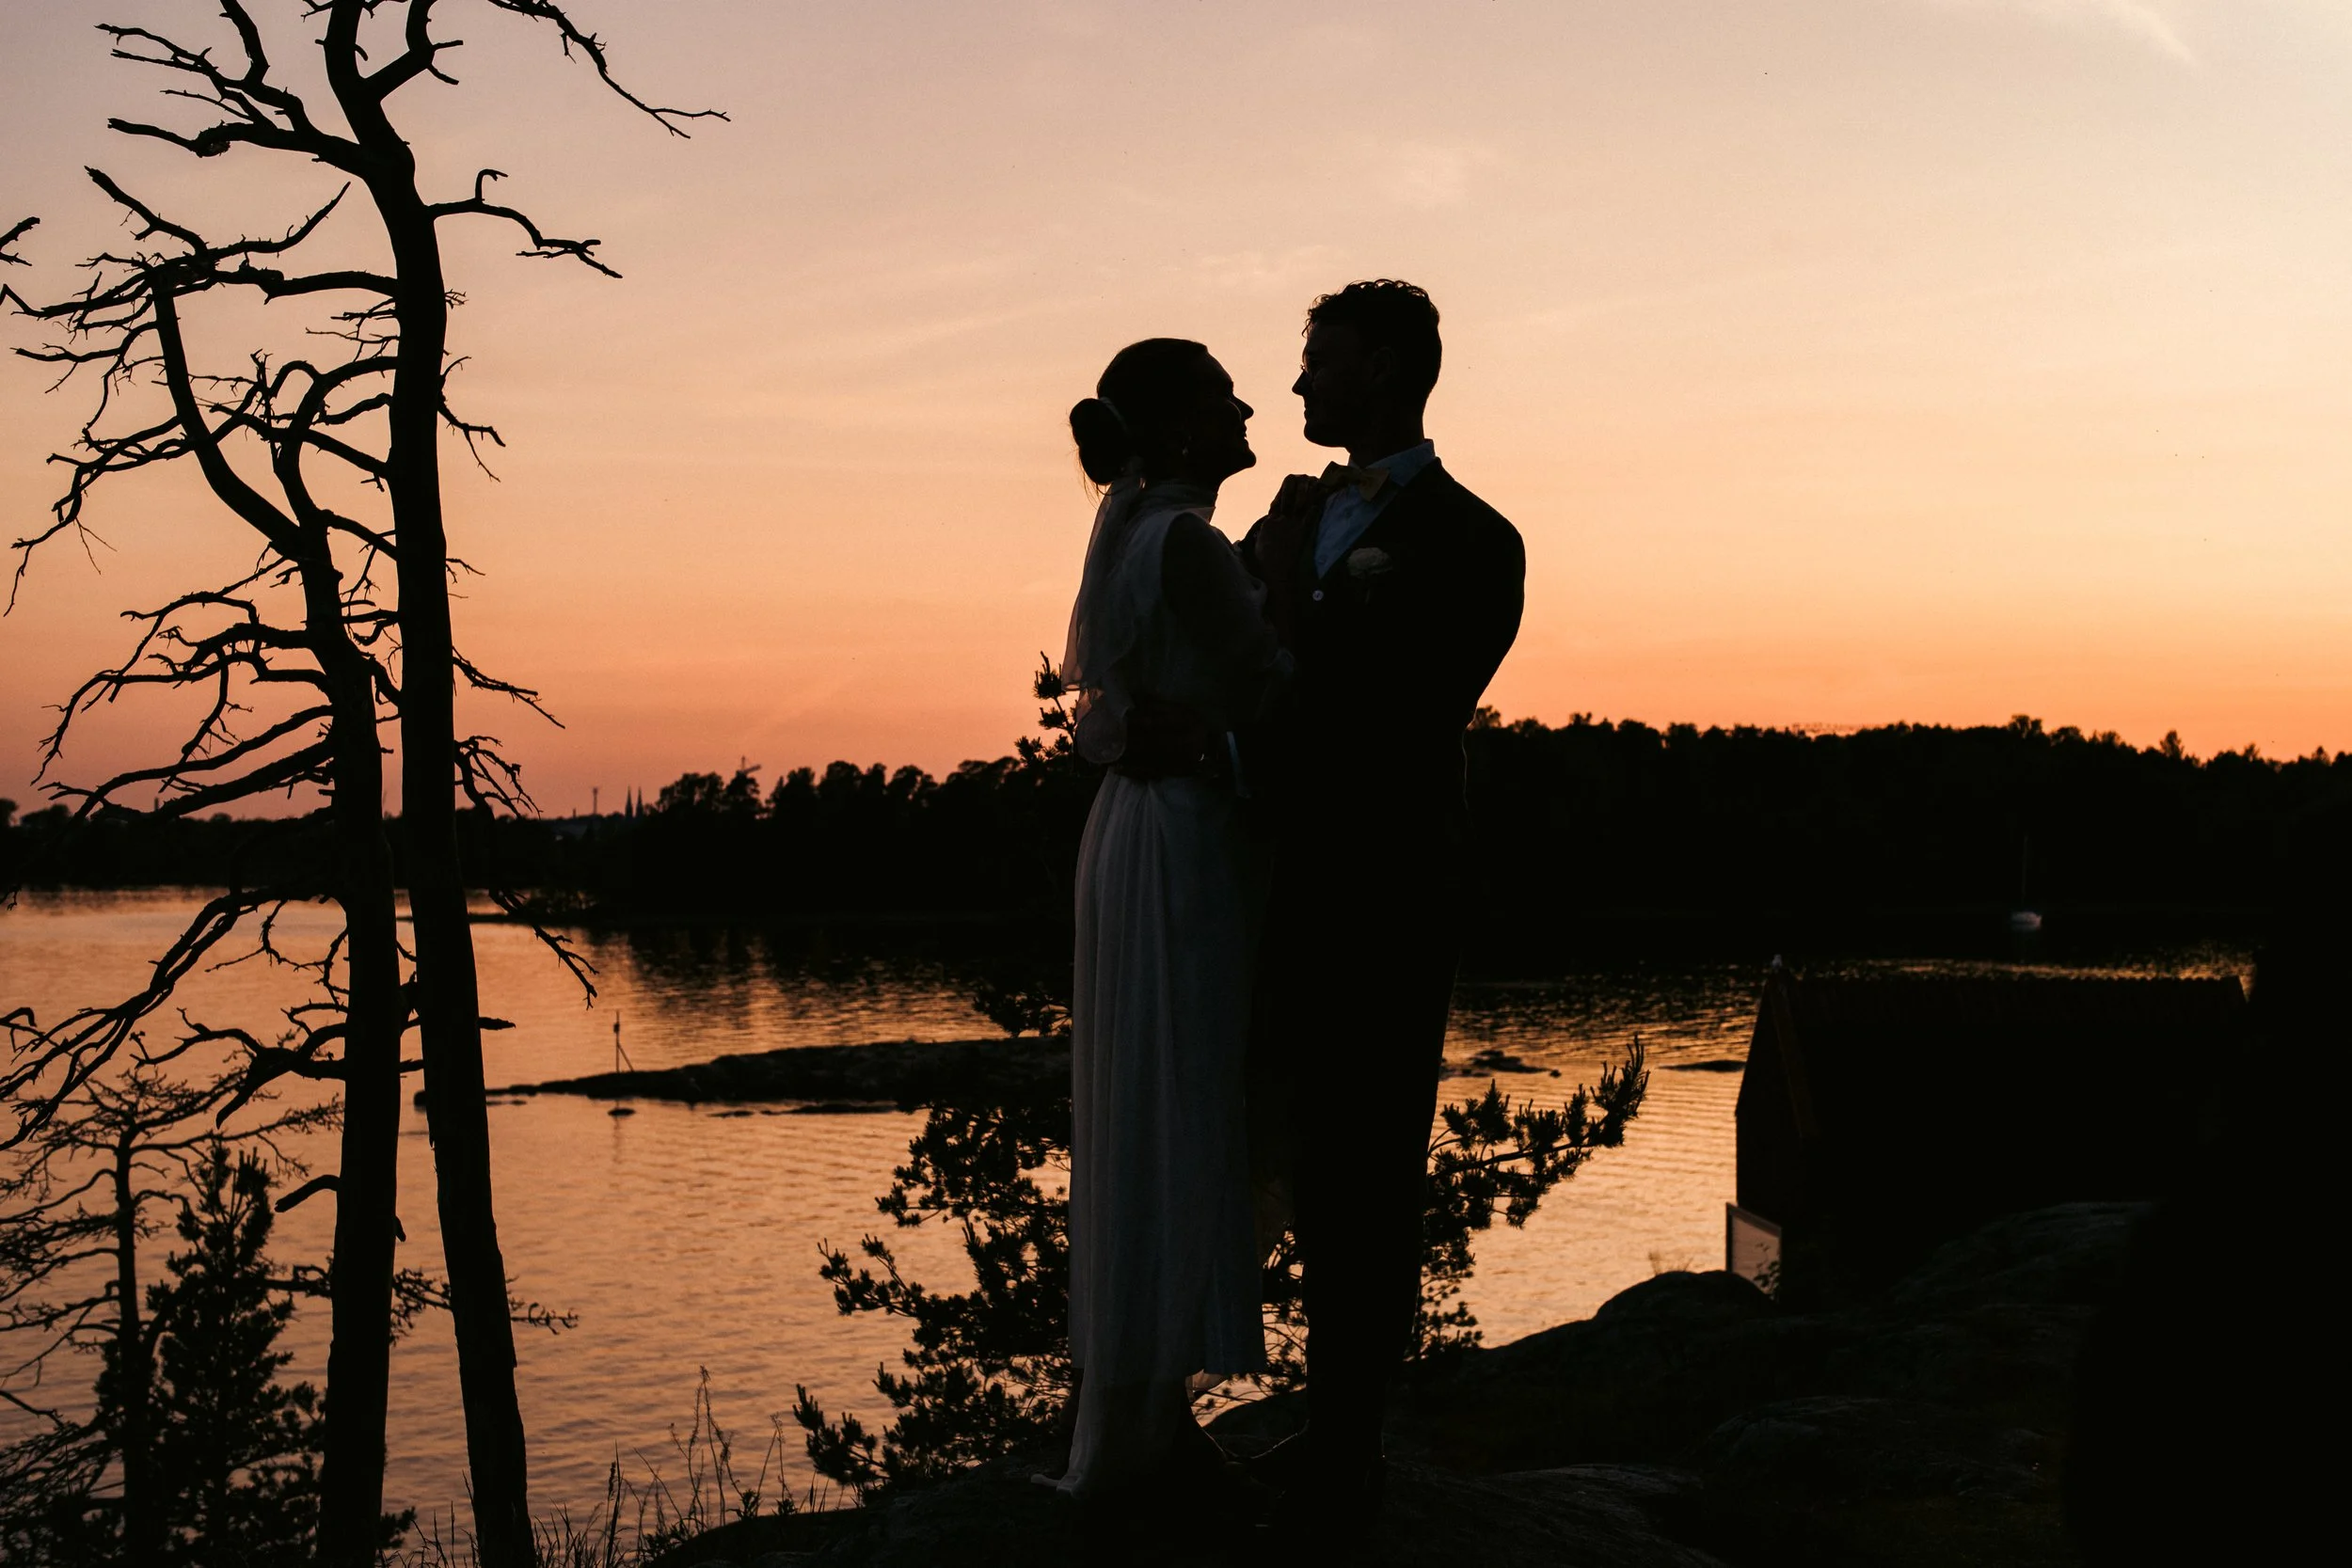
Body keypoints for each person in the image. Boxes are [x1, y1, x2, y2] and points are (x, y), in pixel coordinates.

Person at [1239, 280, 1526, 1534]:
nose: (1300, 385)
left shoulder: (1475, 539)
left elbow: (1402, 709)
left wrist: (1291, 616)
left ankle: (1351, 1439)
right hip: (1263, 885)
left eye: (1322, 362)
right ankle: (1316, 1411)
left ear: (1391, 370)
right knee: (1300, 1155)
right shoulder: (1285, 517)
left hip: (1390, 887)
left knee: (1371, 1160)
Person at [1047, 337, 1292, 1504]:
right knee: (1184, 1098)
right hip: (1186, 835)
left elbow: (1102, 705)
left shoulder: (1136, 536)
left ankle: (1143, 1408)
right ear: (1187, 429)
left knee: (1143, 1099)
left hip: (1129, 828)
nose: (1250, 403)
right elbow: (1274, 693)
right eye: (1223, 393)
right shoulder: (1184, 543)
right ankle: (1147, 1420)